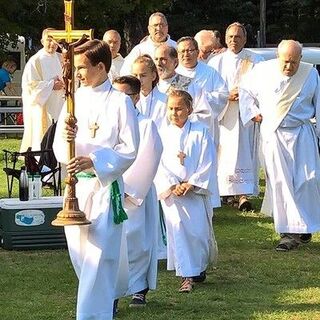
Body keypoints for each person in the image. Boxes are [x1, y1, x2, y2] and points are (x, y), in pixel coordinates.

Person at [53, 39, 140, 320]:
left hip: (104, 187)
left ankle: (92, 315)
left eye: (82, 67)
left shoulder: (120, 101)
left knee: (98, 257)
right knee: (81, 255)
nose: (77, 74)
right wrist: (68, 143)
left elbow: (129, 148)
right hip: (77, 188)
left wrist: (96, 160)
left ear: (101, 67)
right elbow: (58, 147)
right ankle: (103, 302)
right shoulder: (73, 99)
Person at [239, 39, 320, 251]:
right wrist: (252, 112)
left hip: (302, 134)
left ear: (300, 59)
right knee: (281, 182)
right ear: (278, 57)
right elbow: (245, 90)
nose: (288, 66)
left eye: (294, 62)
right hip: (274, 134)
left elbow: (318, 103)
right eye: (285, 61)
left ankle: (304, 225)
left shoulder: (310, 74)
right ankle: (287, 233)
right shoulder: (262, 71)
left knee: (307, 179)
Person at [155, 89, 218, 293]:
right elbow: (158, 163)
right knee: (179, 231)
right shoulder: (162, 133)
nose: (175, 113)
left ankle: (197, 268)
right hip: (173, 194)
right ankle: (186, 276)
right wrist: (173, 184)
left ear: (189, 109)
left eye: (179, 109)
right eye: (171, 109)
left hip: (194, 192)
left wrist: (191, 183)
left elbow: (207, 160)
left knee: (198, 232)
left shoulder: (201, 131)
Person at [113, 75, 163, 307]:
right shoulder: (111, 122)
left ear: (135, 97)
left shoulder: (145, 125)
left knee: (137, 240)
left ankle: (139, 288)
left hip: (134, 194)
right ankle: (112, 290)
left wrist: (130, 190)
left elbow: (149, 158)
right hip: (110, 190)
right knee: (114, 243)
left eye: (123, 95)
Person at [207, 22, 264, 210]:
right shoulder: (216, 62)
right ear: (225, 38)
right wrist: (226, 96)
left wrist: (247, 96)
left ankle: (243, 194)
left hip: (246, 115)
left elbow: (263, 87)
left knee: (245, 153)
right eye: (230, 37)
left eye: (238, 37)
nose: (233, 40)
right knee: (226, 154)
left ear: (245, 39)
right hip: (225, 114)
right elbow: (211, 89)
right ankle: (226, 192)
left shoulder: (256, 61)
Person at [175, 36, 228, 147]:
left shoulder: (209, 72)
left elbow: (223, 94)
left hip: (206, 125)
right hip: (180, 126)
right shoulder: (174, 75)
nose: (186, 54)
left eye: (190, 50)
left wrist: (201, 99)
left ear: (197, 51)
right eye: (182, 51)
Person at [20, 28, 65, 152]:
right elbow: (30, 87)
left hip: (61, 105)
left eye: (55, 41)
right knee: (44, 139)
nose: (52, 44)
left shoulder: (62, 58)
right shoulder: (35, 61)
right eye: (49, 40)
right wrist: (51, 85)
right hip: (44, 108)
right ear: (42, 41)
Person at [131, 54, 167, 130]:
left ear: (153, 76)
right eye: (135, 75)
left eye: (143, 75)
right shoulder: (129, 99)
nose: (138, 79)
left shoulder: (165, 100)